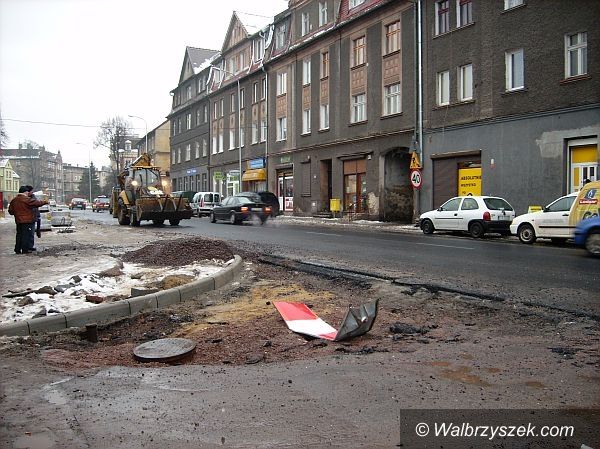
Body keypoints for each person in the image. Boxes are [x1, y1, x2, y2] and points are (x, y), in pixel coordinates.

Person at [8, 185, 48, 254]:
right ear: (24, 192)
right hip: (27, 221)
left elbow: (11, 211)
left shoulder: (14, 200)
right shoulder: (26, 199)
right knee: (26, 235)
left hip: (18, 221)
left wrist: (17, 213)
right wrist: (45, 202)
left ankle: (17, 249)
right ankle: (25, 250)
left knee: (19, 235)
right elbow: (37, 203)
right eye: (27, 192)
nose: (28, 193)